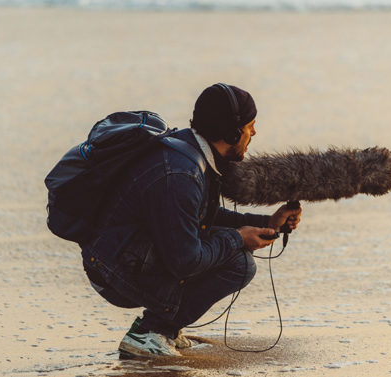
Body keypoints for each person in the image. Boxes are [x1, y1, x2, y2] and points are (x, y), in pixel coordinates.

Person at [80, 83, 302, 357]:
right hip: (111, 270)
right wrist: (239, 238)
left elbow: (200, 217)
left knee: (227, 249)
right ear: (232, 132)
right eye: (250, 125)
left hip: (122, 253)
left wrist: (268, 220)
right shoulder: (182, 174)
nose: (253, 132)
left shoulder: (190, 148)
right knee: (238, 263)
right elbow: (185, 262)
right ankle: (151, 333)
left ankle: (161, 328)